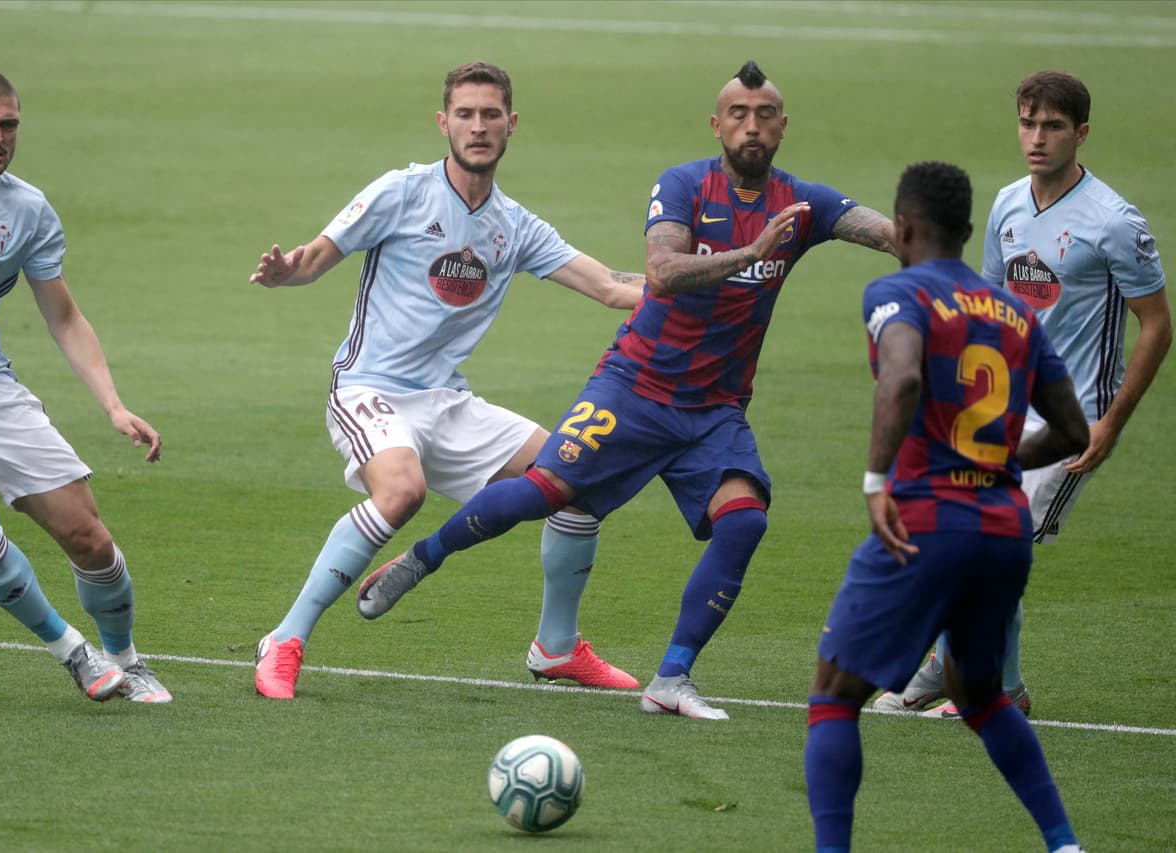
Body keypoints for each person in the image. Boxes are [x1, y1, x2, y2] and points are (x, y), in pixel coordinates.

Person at [354, 60, 900, 720]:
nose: (751, 127)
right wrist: (751, 252)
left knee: (745, 519)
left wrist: (941, 259)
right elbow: (663, 272)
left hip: (715, 410)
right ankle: (423, 557)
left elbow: (887, 233)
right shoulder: (684, 186)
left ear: (783, 126)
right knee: (543, 491)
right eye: (738, 115)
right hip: (636, 385)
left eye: (764, 116)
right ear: (717, 125)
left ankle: (672, 676)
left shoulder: (804, 204)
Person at [249, 61, 646, 700]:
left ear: (511, 125)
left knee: (575, 478)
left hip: (447, 402)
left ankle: (557, 649)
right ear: (444, 123)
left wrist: (711, 284)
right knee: (400, 491)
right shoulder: (400, 192)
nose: (478, 126)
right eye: (465, 114)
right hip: (368, 389)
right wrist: (283, 271)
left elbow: (608, 287)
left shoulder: (514, 226)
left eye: (491, 115)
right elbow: (314, 259)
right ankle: (285, 639)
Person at [805, 161, 1090, 853]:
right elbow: (1076, 432)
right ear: (966, 232)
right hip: (1002, 527)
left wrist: (877, 481)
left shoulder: (895, 291)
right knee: (980, 690)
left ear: (901, 228)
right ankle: (1064, 843)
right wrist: (997, 461)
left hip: (925, 521)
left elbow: (901, 375)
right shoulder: (1017, 311)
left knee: (834, 692)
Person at [874, 70, 1170, 718]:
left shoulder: (1115, 222)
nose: (1037, 138)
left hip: (1076, 416)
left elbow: (1158, 324)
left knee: (994, 537)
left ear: (1081, 133)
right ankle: (961, 673)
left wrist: (1111, 424)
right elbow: (985, 308)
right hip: (1002, 409)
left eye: (1053, 126)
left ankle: (989, 686)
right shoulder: (1008, 203)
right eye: (1028, 123)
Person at [0, 69, 171, 703]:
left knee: (89, 539)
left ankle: (125, 658)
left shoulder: (27, 210)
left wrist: (114, 405)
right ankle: (70, 650)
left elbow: (64, 316)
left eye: (9, 125)